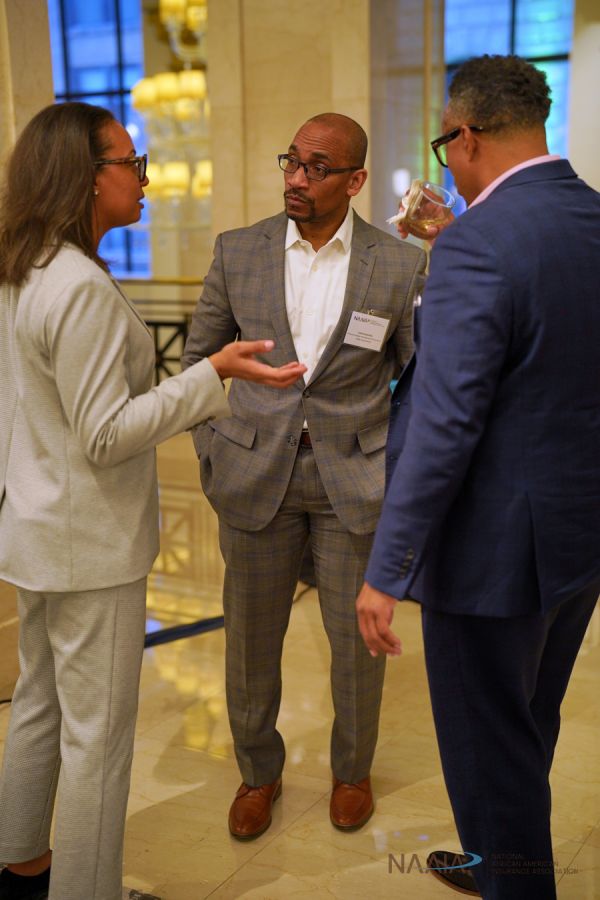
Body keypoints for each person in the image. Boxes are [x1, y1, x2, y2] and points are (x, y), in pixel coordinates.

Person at [0, 101, 305, 900]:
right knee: (97, 738)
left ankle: (22, 865)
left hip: (34, 525)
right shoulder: (78, 287)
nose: (144, 179)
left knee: (38, 703)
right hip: (87, 542)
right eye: (130, 164)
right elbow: (104, 435)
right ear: (85, 177)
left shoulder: (24, 266)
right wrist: (213, 375)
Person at [356, 54, 600, 899]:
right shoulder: (586, 215)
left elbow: (445, 421)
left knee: (489, 746)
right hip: (575, 539)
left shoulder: (479, 244)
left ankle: (513, 876)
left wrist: (387, 568)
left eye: (443, 146)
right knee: (526, 722)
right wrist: (453, 239)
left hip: (490, 553)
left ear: (463, 138)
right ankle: (501, 857)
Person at [182, 112, 426, 839]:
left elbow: (418, 381)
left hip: (355, 479)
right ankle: (258, 773)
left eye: (317, 168)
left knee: (356, 645)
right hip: (254, 472)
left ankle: (352, 771)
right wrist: (213, 449)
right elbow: (198, 363)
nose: (296, 177)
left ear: (355, 180)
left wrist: (395, 468)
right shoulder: (239, 250)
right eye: (291, 161)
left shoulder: (399, 263)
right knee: (250, 640)